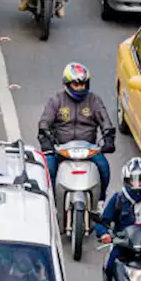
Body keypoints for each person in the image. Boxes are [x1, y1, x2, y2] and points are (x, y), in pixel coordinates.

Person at [37, 63, 115, 197]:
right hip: (61, 148)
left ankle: (100, 200)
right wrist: (46, 141)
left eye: (83, 85)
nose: (80, 88)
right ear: (67, 84)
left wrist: (108, 137)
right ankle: (52, 200)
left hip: (88, 149)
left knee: (104, 167)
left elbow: (105, 120)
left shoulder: (94, 100)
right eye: (76, 85)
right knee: (48, 170)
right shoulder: (56, 101)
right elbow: (44, 122)